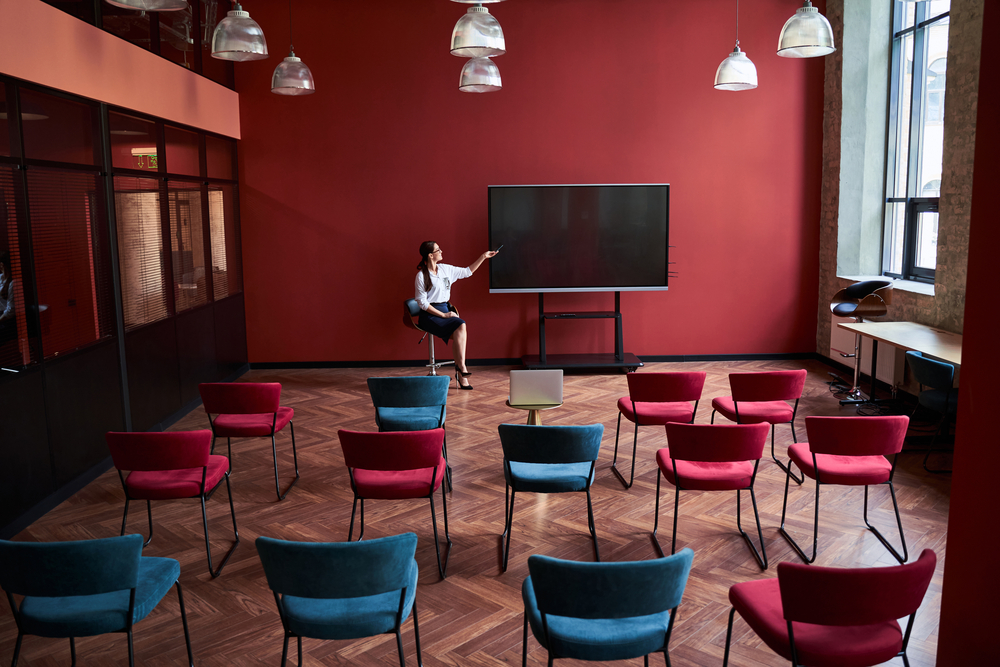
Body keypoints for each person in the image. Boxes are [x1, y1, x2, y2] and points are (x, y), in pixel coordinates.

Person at [414, 241, 498, 390]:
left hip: (445, 309)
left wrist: (483, 257)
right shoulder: (421, 276)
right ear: (430, 255)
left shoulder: (445, 269)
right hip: (429, 315)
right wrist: (444, 315)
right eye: (438, 250)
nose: (441, 251)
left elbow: (467, 272)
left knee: (460, 326)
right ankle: (461, 371)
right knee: (460, 327)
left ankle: (461, 369)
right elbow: (423, 304)